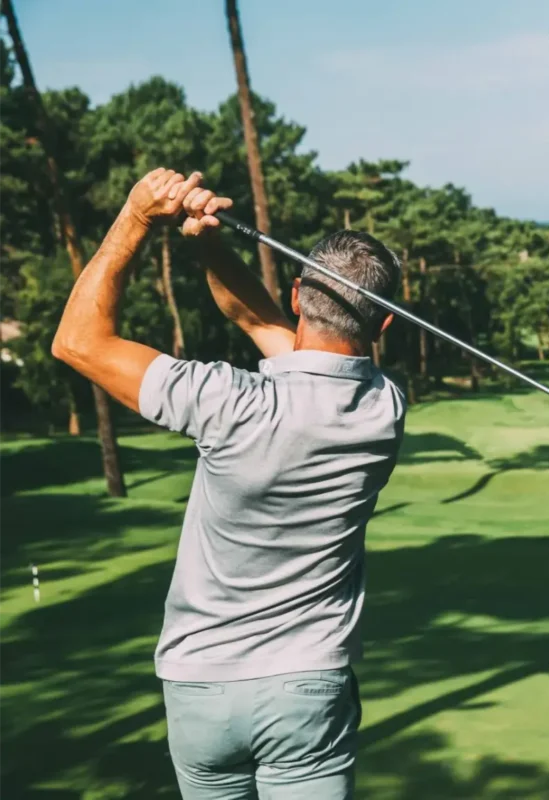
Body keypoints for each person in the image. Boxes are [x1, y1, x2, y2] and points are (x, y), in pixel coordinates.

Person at [52, 168, 405, 799]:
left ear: (297, 296)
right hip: (308, 689)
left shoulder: (225, 401)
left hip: (201, 687)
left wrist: (137, 216)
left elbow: (79, 341)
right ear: (383, 327)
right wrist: (210, 245)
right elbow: (259, 322)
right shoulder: (384, 409)